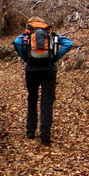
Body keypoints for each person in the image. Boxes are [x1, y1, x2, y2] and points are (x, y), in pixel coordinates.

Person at [13, 17, 73, 145]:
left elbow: (17, 42)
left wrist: (26, 58)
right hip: (49, 69)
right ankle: (45, 136)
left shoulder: (26, 35)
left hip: (31, 70)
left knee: (32, 98)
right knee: (47, 102)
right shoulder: (49, 34)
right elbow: (68, 43)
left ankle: (30, 131)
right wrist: (55, 57)